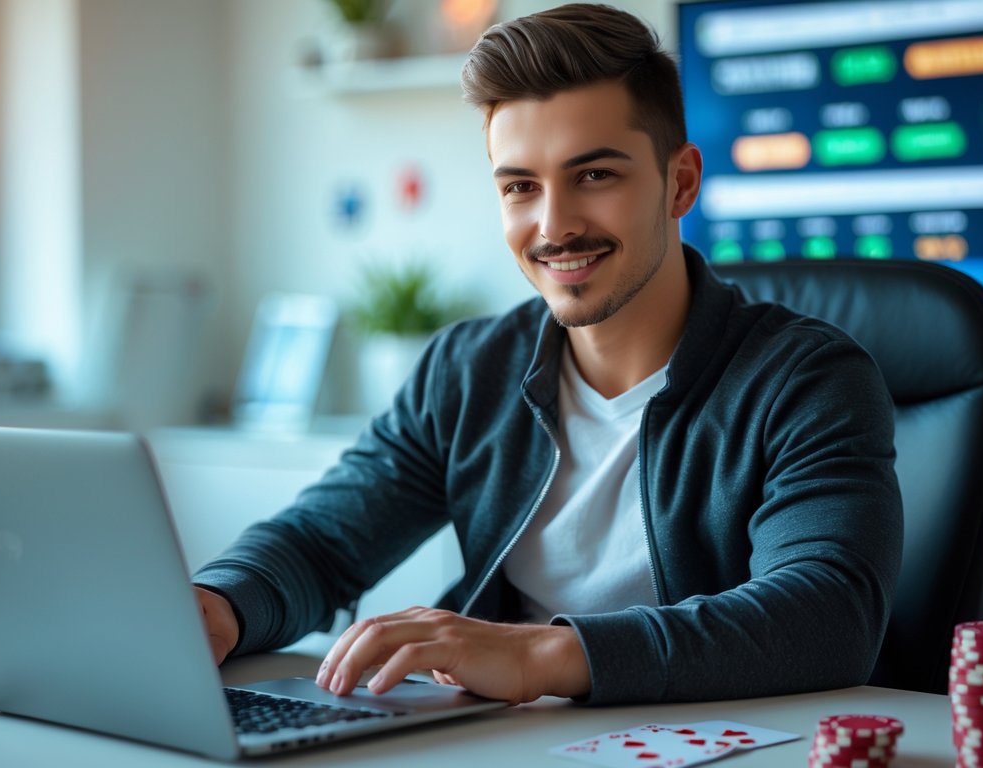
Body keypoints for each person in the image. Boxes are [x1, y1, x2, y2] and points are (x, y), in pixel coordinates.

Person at [193, 3, 902, 706]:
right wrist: (218, 605)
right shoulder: (468, 370)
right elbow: (323, 543)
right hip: (489, 744)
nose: (553, 225)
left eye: (594, 175)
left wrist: (543, 654)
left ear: (679, 183)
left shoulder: (805, 380)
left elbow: (826, 614)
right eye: (520, 187)